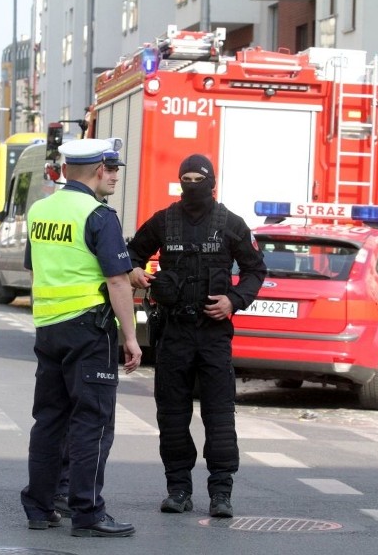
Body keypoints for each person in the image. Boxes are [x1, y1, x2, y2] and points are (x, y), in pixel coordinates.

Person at [127, 154, 266, 518]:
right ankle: (178, 489)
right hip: (173, 334)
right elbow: (130, 252)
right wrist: (134, 272)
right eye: (185, 178)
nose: (192, 185)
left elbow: (255, 269)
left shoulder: (230, 224)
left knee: (219, 418)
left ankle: (221, 493)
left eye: (198, 178)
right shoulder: (164, 221)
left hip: (213, 335)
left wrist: (233, 301)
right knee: (172, 417)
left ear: (211, 182)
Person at [20, 138, 141, 538]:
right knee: (93, 422)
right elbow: (118, 280)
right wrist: (131, 336)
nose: (115, 175)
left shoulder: (40, 210)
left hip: (49, 327)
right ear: (95, 170)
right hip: (90, 330)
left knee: (49, 419)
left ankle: (39, 507)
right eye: (112, 168)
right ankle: (87, 514)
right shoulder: (98, 215)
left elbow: (35, 268)